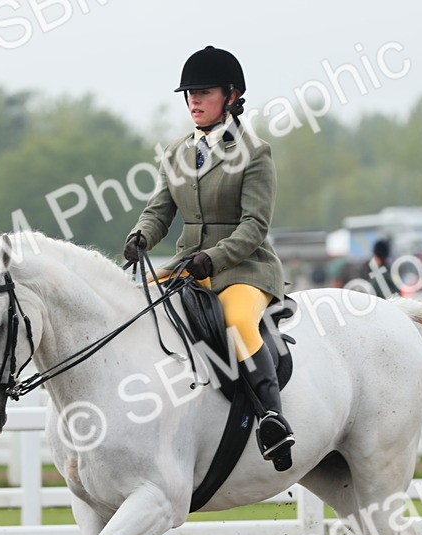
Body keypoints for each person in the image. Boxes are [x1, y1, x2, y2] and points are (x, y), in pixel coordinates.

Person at [124, 45, 295, 471]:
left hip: (245, 268)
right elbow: (160, 209)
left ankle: (273, 420)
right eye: (189, 94)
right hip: (189, 267)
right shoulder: (177, 151)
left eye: (204, 92)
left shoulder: (255, 153)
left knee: (237, 322)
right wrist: (141, 235)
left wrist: (214, 258)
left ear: (232, 95)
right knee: (130, 304)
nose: (193, 101)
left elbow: (255, 226)